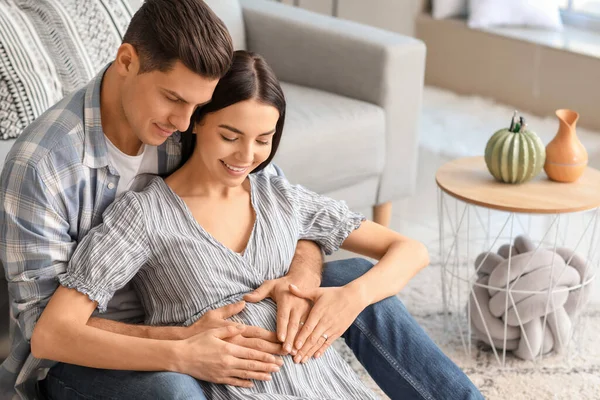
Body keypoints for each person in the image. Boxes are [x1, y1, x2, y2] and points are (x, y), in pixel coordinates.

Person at [0, 1, 483, 399]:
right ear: (126, 62)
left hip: (207, 313)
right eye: (175, 100)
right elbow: (51, 334)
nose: (186, 123)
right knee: (177, 389)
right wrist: (182, 345)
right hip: (89, 356)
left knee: (356, 280)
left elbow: (287, 213)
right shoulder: (44, 168)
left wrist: (296, 281)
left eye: (198, 107)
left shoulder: (191, 123)